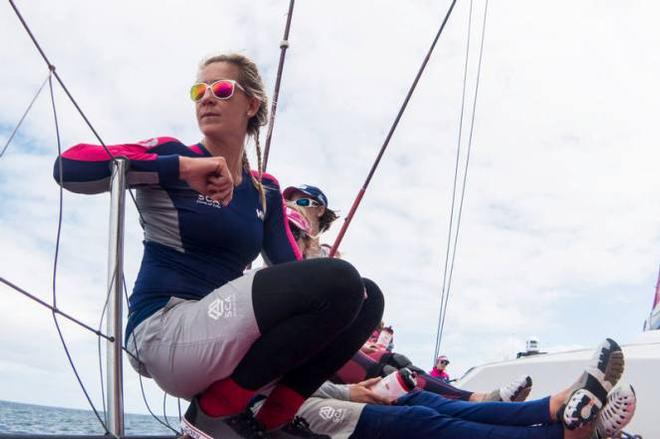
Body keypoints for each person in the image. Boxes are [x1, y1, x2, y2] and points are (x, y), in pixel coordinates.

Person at [54, 53, 384, 439]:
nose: (207, 98)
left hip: (225, 338)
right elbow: (69, 166)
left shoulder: (267, 191)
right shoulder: (173, 153)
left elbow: (289, 269)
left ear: (252, 105)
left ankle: (273, 418)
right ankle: (213, 414)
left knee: (363, 296)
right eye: (199, 90)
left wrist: (324, 275)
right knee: (340, 281)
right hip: (165, 330)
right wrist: (180, 168)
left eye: (222, 89)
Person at [284, 188, 532, 404]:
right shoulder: (281, 251)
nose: (295, 207)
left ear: (320, 210)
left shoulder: (328, 255)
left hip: (332, 338)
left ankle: (475, 400)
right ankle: (474, 404)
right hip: (305, 347)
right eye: (291, 204)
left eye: (303, 202)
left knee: (397, 362)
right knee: (381, 370)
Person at [271, 339, 635, 439]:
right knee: (415, 419)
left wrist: (352, 392)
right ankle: (561, 433)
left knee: (416, 397)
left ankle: (556, 409)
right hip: (267, 407)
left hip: (293, 391)